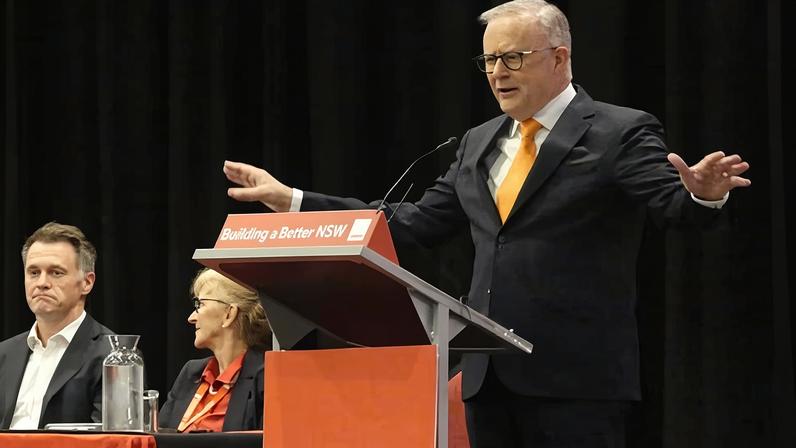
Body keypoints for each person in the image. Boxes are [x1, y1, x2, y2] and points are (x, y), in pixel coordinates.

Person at [220, 0, 751, 446]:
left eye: (513, 58)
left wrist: (701, 196)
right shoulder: (480, 141)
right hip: (488, 377)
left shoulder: (619, 130)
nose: (497, 72)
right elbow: (415, 224)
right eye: (490, 60)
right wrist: (292, 199)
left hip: (576, 378)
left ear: (560, 57)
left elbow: (672, 207)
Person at [0, 222, 115, 429]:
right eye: (34, 272)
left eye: (56, 273)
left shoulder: (112, 356)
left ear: (87, 283)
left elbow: (112, 441)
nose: (42, 282)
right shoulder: (4, 354)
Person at [159, 268, 270, 432]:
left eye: (200, 305)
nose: (191, 318)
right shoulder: (191, 373)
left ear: (229, 314)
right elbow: (159, 436)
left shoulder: (265, 377)